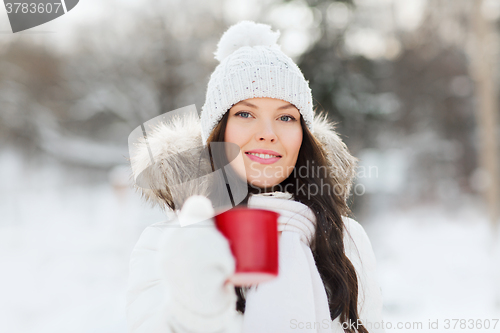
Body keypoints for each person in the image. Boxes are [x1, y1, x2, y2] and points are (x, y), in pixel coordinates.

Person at [126, 21, 385, 333]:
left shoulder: (346, 239)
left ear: (303, 136)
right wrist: (197, 313)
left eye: (286, 117)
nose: (267, 134)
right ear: (218, 131)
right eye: (245, 114)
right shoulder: (170, 241)